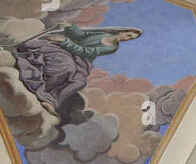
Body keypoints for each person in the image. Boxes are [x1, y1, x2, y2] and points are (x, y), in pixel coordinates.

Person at [13, 24, 141, 118]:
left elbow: (86, 52)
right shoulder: (104, 34)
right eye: (128, 35)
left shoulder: (112, 48)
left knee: (78, 82)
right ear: (123, 31)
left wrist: (66, 41)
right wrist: (70, 27)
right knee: (66, 67)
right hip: (66, 51)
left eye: (131, 39)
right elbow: (81, 35)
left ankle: (50, 101)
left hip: (81, 60)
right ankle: (40, 87)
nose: (127, 39)